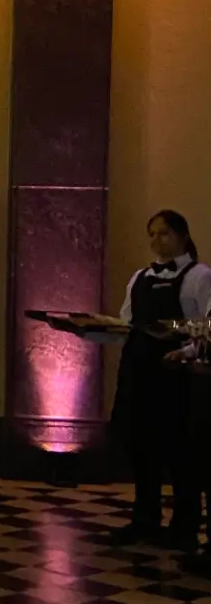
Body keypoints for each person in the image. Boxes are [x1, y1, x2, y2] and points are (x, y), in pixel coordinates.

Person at [109, 209, 211, 548]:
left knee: (183, 453)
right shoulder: (138, 277)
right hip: (140, 372)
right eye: (151, 233)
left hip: (178, 376)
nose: (156, 240)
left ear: (182, 236)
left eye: (163, 233)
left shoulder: (199, 276)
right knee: (143, 449)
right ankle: (145, 518)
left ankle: (184, 526)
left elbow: (206, 328)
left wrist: (184, 349)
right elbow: (126, 323)